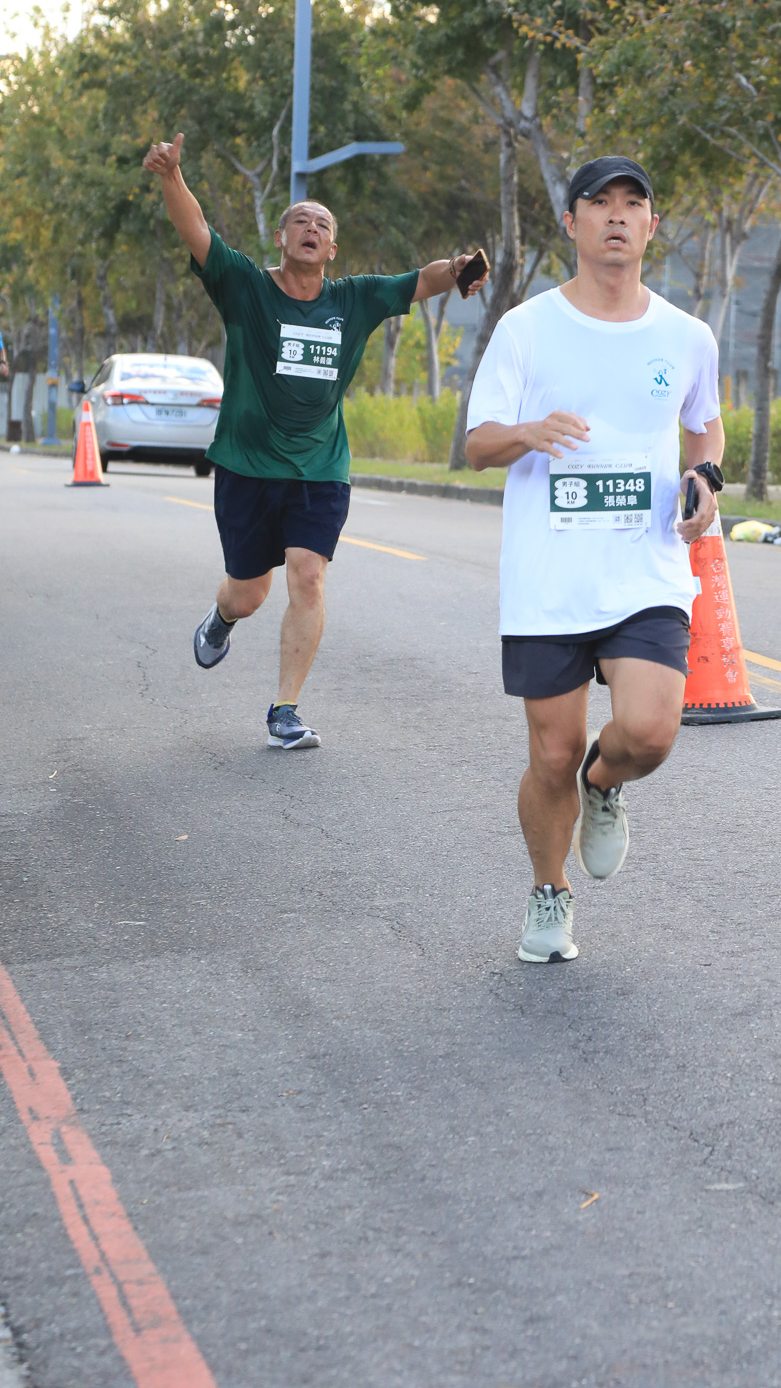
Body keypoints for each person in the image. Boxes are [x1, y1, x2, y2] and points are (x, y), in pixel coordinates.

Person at [142, 131, 487, 750]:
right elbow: (197, 231)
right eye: (300, 220)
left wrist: (457, 269)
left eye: (321, 224)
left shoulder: (353, 298)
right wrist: (171, 176)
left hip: (320, 466)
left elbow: (421, 280)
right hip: (247, 464)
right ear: (281, 237)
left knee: (308, 577)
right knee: (249, 593)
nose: (310, 228)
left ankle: (285, 710)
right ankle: (222, 617)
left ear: (332, 247)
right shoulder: (245, 286)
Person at [465, 155, 725, 962]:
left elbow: (704, 426)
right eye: (599, 202)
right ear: (571, 222)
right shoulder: (527, 329)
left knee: (648, 732)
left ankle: (603, 782)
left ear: (651, 225)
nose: (616, 215)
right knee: (551, 754)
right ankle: (549, 893)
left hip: (646, 569)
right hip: (549, 580)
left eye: (632, 204)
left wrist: (705, 479)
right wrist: (528, 432)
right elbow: (477, 445)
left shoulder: (686, 337)